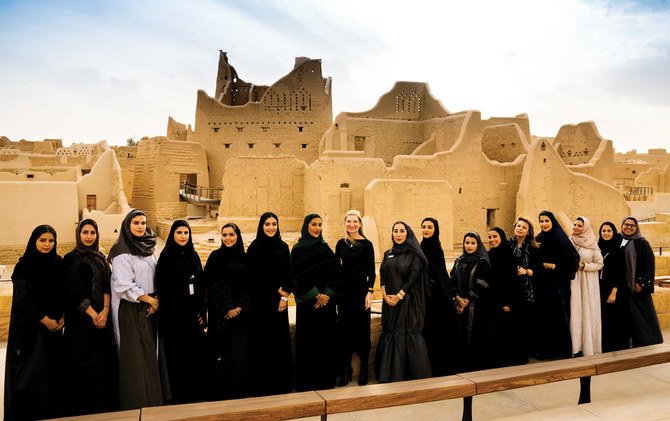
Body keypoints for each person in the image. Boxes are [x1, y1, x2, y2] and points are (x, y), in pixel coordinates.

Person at [4, 225, 65, 420]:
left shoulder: (58, 263)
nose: (47, 244)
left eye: (51, 241)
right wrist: (45, 320)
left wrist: (63, 316)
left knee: (53, 376)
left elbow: (64, 293)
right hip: (30, 331)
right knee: (32, 377)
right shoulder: (24, 266)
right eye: (43, 240)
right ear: (34, 241)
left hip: (55, 328)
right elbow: (24, 299)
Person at [109, 209, 163, 409]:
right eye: (136, 223)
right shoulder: (122, 252)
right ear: (127, 226)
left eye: (143, 222)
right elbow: (123, 285)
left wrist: (154, 301)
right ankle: (137, 402)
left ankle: (153, 400)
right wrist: (150, 300)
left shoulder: (148, 247)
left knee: (149, 354)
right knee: (135, 357)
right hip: (132, 308)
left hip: (149, 306)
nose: (141, 226)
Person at [63, 219, 118, 415]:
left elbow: (106, 285)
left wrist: (104, 311)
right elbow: (72, 292)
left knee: (102, 368)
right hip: (81, 323)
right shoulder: (71, 259)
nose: (88, 236)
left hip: (102, 321)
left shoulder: (100, 258)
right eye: (85, 232)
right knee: (83, 368)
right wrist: (94, 315)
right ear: (79, 234)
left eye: (92, 233)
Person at [155, 220, 208, 403]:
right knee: (178, 362)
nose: (183, 236)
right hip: (176, 320)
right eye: (179, 232)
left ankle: (196, 395)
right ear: (173, 235)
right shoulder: (166, 257)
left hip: (193, 318)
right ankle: (180, 399)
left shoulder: (193, 255)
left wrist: (202, 310)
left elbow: (200, 285)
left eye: (186, 232)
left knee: (195, 358)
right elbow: (164, 289)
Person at [376, 221, 432, 382]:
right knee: (391, 332)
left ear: (407, 233)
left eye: (401, 231)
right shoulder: (388, 253)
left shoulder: (414, 254)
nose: (398, 234)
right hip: (389, 302)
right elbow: (383, 274)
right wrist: (386, 296)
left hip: (408, 302)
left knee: (406, 332)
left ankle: (410, 374)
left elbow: (414, 277)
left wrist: (398, 296)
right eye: (395, 231)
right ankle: (390, 374)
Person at [290, 213, 340, 391]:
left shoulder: (326, 248)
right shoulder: (298, 249)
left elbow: (336, 273)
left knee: (325, 344)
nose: (317, 228)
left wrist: (326, 294)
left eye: (319, 225)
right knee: (308, 344)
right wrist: (315, 294)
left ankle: (325, 381)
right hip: (308, 306)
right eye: (313, 224)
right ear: (306, 226)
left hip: (326, 305)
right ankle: (307, 382)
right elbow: (295, 276)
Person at [203, 222, 252, 399]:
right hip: (222, 316)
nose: (228, 238)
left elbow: (250, 285)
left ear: (237, 236)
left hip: (241, 315)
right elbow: (212, 284)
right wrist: (229, 308)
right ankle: (222, 392)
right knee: (221, 352)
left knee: (239, 354)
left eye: (231, 235)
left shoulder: (245, 258)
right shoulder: (215, 257)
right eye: (224, 235)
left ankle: (239, 390)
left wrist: (239, 307)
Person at [247, 212, 294, 396]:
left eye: (274, 224)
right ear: (261, 226)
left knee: (278, 344)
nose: (271, 227)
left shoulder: (283, 248)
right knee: (261, 345)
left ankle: (280, 385)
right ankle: (261, 386)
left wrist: (284, 297)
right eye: (267, 224)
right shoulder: (254, 248)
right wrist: (273, 291)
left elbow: (288, 274)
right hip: (260, 304)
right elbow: (251, 278)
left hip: (278, 305)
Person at [335, 210, 375, 386]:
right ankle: (345, 371)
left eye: (355, 221)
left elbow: (372, 272)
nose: (352, 224)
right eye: (348, 221)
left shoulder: (367, 245)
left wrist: (370, 292)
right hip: (344, 294)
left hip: (360, 293)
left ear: (359, 224)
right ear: (345, 223)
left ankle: (364, 370)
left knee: (361, 330)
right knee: (344, 331)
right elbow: (336, 270)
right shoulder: (341, 243)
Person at [421, 217, 462, 375]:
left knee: (439, 331)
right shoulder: (420, 247)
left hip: (437, 296)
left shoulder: (437, 248)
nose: (426, 229)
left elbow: (440, 273)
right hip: (425, 295)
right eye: (424, 227)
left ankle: (441, 366)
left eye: (429, 227)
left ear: (435, 229)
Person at [535, 210, 579, 360]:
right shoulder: (539, 238)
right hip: (542, 284)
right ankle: (545, 350)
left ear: (552, 221)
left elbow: (573, 258)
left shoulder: (559, 237)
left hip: (558, 284)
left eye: (546, 221)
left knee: (558, 317)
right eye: (541, 221)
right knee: (543, 317)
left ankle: (560, 351)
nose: (544, 224)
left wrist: (554, 266)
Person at [451, 232, 493, 370]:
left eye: (473, 243)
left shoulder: (482, 262)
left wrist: (466, 300)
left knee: (474, 335)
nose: (469, 246)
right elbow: (452, 281)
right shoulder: (459, 260)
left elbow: (481, 284)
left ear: (478, 244)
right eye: (467, 243)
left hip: (476, 306)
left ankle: (474, 365)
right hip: (458, 304)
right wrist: (457, 298)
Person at [619, 216, 663, 347]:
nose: (628, 227)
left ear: (636, 228)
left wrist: (642, 282)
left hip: (636, 286)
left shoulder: (642, 243)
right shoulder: (618, 240)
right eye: (626, 224)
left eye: (632, 225)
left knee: (642, 316)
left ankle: (648, 340)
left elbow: (649, 264)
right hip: (622, 285)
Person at [489, 226, 528, 367]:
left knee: (510, 331)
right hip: (494, 299)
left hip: (508, 300)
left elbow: (512, 281)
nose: (492, 240)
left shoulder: (509, 256)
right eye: (490, 238)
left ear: (501, 238)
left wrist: (507, 303)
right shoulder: (490, 254)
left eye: (495, 237)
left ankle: (512, 359)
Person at [569, 216, 603, 356]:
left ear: (586, 227)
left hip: (588, 282)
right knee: (576, 311)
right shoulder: (570, 241)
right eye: (575, 225)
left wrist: (584, 266)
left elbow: (600, 263)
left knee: (587, 312)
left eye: (579, 226)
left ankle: (589, 346)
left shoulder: (592, 244)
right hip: (574, 281)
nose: (576, 227)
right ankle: (576, 346)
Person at [598, 221, 631, 352]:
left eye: (609, 231)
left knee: (616, 318)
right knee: (605, 318)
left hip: (615, 289)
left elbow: (621, 272)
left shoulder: (618, 249)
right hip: (601, 287)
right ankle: (606, 346)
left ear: (614, 232)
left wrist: (614, 292)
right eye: (603, 231)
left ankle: (619, 346)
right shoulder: (598, 247)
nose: (606, 233)